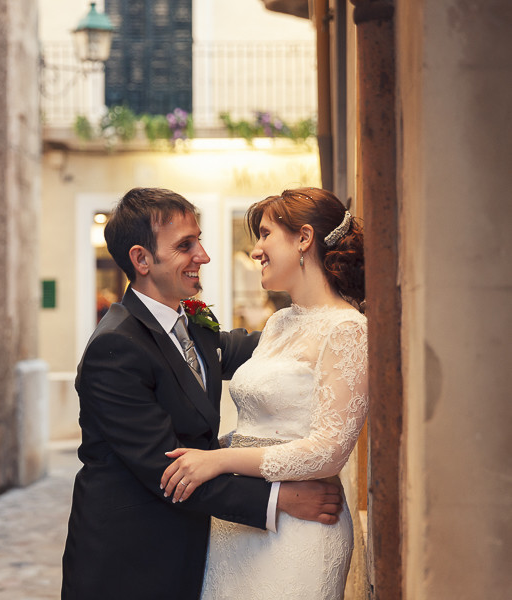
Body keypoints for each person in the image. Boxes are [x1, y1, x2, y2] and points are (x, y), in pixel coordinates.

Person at [61, 188, 344, 600]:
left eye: (199, 240)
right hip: (128, 564)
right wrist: (280, 498)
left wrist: (333, 323)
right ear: (141, 259)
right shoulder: (116, 347)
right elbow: (170, 471)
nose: (204, 256)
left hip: (189, 552)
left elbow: (266, 351)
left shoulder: (191, 323)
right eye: (185, 246)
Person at [159, 187, 368, 599]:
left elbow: (328, 451)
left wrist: (219, 461)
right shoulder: (278, 323)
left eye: (266, 234)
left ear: (304, 239)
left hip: (300, 530)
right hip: (238, 527)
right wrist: (205, 450)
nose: (256, 251)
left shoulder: (348, 330)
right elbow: (260, 427)